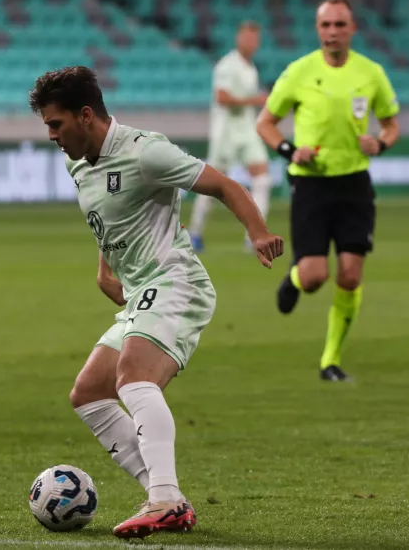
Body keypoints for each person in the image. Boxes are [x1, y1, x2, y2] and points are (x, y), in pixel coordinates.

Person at [28, 66, 283, 539]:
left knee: (134, 376)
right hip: (141, 290)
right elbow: (108, 218)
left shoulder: (147, 153)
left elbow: (226, 185)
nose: (51, 135)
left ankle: (163, 498)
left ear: (86, 116)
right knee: (89, 394)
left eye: (56, 124)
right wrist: (106, 268)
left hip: (175, 281)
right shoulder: (78, 162)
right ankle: (167, 497)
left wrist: (259, 232)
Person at [256, 0, 400, 382]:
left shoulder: (371, 73)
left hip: (354, 184)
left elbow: (391, 124)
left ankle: (330, 361)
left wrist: (381, 143)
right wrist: (289, 150)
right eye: (326, 25)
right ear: (317, 30)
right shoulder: (299, 72)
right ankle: (296, 278)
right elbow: (265, 123)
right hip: (311, 186)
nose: (333, 32)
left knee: (351, 276)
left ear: (352, 29)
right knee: (316, 276)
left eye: (340, 24)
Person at [188, 21, 272, 253]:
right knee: (213, 184)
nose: (250, 42)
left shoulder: (250, 68)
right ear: (238, 39)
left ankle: (254, 236)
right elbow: (222, 98)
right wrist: (255, 100)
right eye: (246, 37)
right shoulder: (227, 65)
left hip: (246, 129)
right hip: (225, 131)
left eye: (254, 39)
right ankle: (194, 233)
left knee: (262, 178)